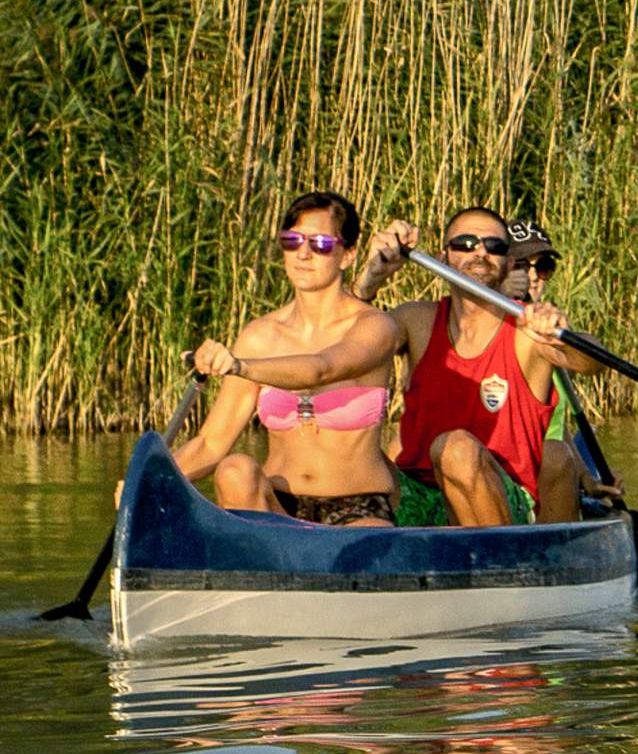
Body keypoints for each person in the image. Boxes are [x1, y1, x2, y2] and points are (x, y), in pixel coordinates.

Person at [174, 192, 403, 525]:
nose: (304, 254)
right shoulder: (260, 335)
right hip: (279, 507)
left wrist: (239, 366)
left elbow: (323, 369)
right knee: (234, 469)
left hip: (357, 507)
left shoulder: (374, 326)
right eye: (292, 241)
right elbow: (210, 443)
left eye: (321, 243)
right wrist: (149, 482)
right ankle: (260, 565)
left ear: (348, 255)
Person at [354, 207, 575, 526]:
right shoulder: (415, 320)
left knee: (455, 449)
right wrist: (369, 281)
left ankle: (499, 560)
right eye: (465, 243)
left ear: (509, 263)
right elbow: (348, 354)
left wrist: (563, 337)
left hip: (501, 491)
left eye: (494, 246)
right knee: (349, 453)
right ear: (444, 258)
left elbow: (589, 361)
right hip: (419, 491)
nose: (480, 251)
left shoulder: (526, 329)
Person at [498, 212, 598, 526]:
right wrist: (500, 296)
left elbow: (555, 428)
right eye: (520, 265)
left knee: (556, 452)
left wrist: (587, 478)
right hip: (501, 477)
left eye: (542, 268)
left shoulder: (551, 333)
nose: (533, 278)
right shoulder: (476, 329)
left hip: (551, 473)